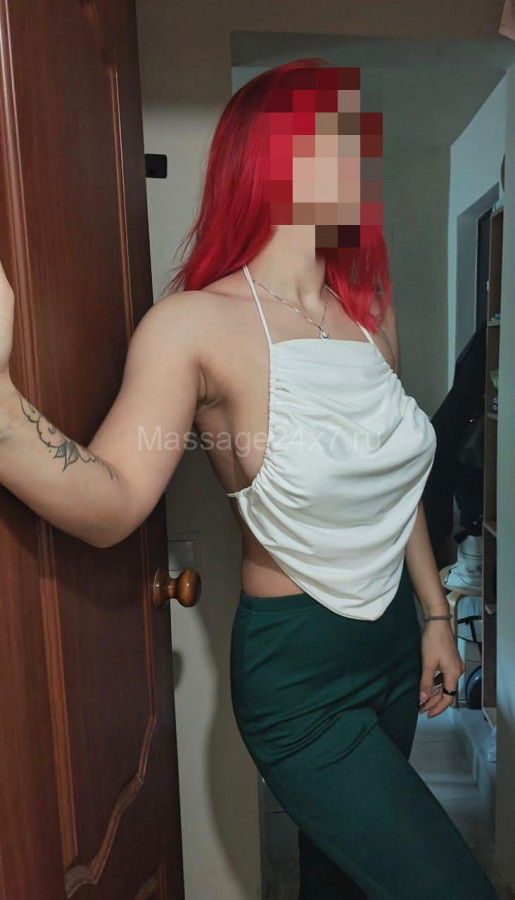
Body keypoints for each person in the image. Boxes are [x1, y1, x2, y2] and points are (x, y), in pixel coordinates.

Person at [0, 58, 498, 899]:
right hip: (298, 678)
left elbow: (392, 490)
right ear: (274, 153)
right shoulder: (193, 324)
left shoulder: (369, 313)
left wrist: (436, 617)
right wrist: (4, 412)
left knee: (341, 884)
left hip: (391, 652)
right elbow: (114, 499)